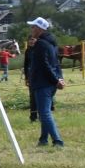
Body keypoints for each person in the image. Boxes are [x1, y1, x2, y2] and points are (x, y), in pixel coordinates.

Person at [22, 17, 65, 147]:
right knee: (45, 111)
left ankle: (57, 141)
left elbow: (44, 65)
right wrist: (59, 78)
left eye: (33, 27)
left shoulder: (40, 44)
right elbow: (56, 64)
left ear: (40, 29)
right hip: (50, 83)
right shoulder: (52, 43)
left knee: (44, 113)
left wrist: (55, 80)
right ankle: (43, 139)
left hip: (43, 83)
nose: (32, 29)